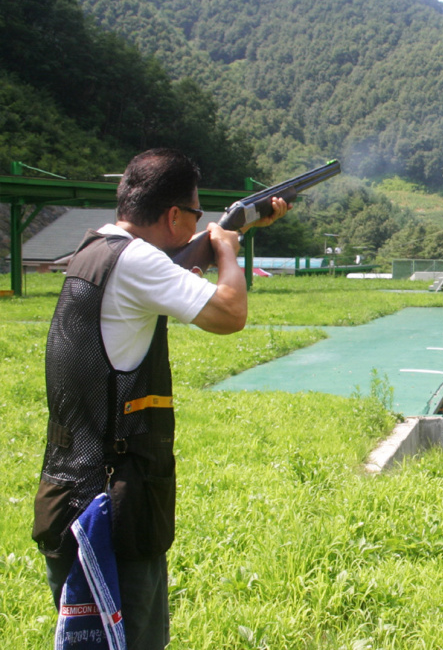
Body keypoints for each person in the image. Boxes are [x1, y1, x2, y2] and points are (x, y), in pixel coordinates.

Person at [32, 148, 288, 649]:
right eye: (193, 214)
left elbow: (164, 273)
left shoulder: (98, 250)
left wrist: (235, 229)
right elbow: (230, 313)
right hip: (113, 509)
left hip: (70, 496)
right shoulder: (137, 261)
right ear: (174, 215)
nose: (196, 223)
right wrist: (228, 249)